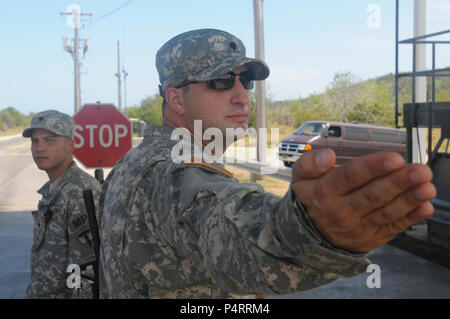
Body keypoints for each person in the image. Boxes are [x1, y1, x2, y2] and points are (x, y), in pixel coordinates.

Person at [99, 28, 436, 298]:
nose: (241, 95)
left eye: (245, 81)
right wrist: (307, 230)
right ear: (176, 99)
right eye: (219, 81)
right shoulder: (174, 172)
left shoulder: (136, 159)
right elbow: (225, 221)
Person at [23, 110, 102, 298]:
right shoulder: (54, 189)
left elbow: (85, 275)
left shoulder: (79, 193)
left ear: (69, 145)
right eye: (35, 141)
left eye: (49, 140)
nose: (39, 148)